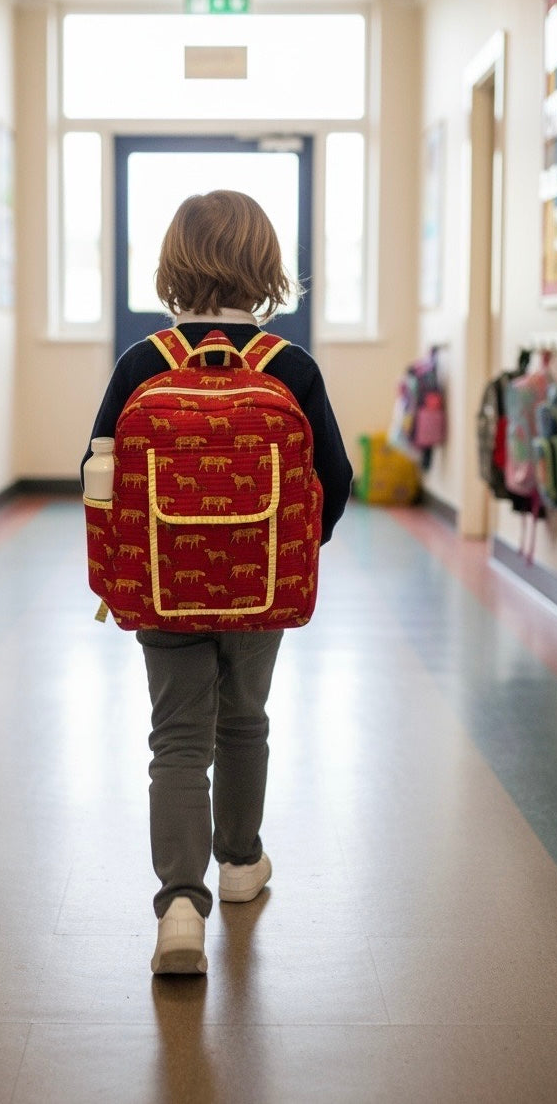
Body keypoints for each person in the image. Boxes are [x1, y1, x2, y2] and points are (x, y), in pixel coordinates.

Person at [83, 190, 352, 975]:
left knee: (175, 738)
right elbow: (333, 479)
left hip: (162, 583)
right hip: (259, 584)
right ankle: (240, 865)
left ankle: (177, 906)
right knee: (244, 719)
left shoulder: (142, 363)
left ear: (173, 266)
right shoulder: (291, 367)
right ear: (265, 268)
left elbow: (95, 473)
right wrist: (286, 544)